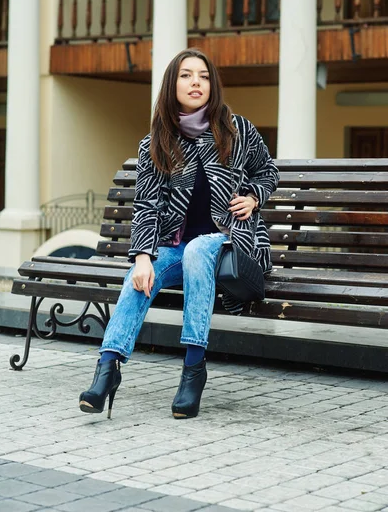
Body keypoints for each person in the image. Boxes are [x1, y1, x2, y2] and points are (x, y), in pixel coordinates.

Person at [79, 48, 279, 420]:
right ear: (173, 85)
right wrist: (142, 259)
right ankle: (108, 368)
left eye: (202, 76)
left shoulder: (238, 130)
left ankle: (193, 368)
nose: (195, 83)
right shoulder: (157, 142)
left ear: (212, 84)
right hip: (177, 246)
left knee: (198, 250)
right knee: (140, 276)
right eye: (186, 75)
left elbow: (267, 172)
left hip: (230, 243)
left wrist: (253, 197)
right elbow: (147, 207)